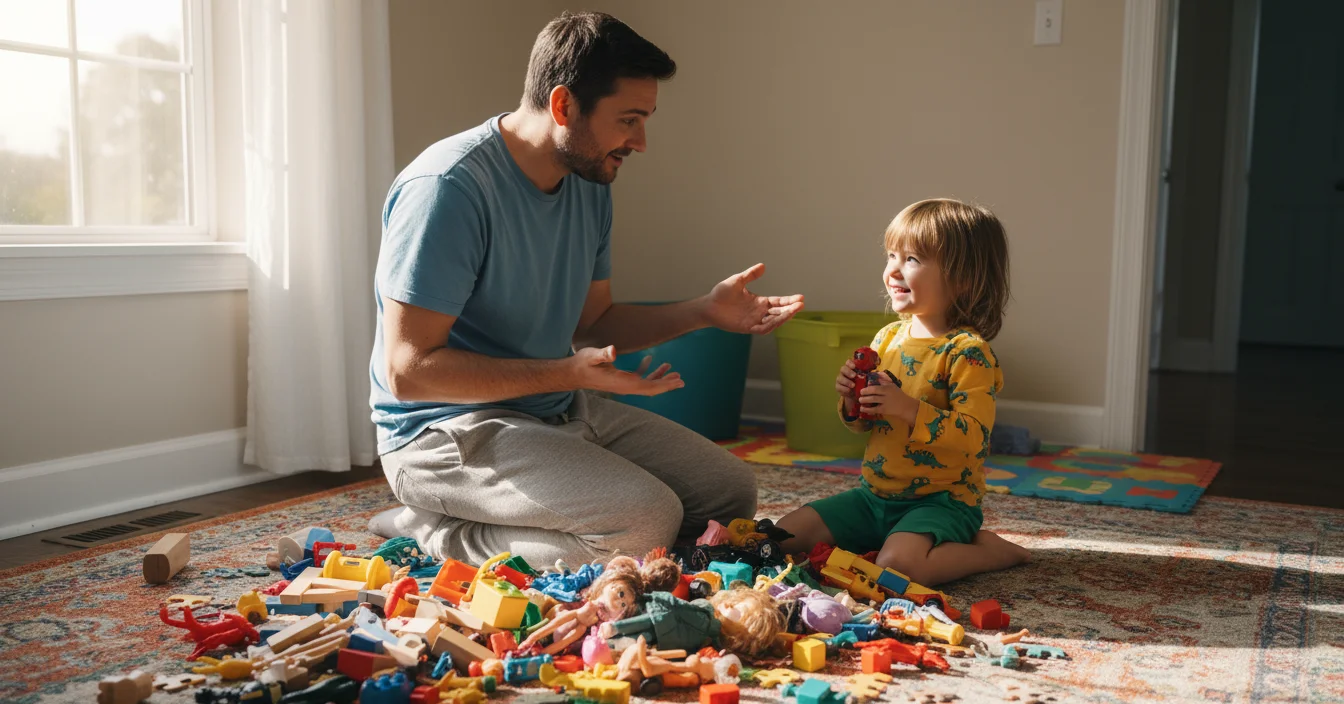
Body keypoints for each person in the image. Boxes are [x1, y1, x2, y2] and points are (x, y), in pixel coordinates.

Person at [367, 11, 803, 567]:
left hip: (553, 407)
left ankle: (541, 504)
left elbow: (593, 323)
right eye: (628, 119)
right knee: (645, 524)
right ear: (564, 106)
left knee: (727, 495)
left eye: (645, 119)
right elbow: (410, 372)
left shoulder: (589, 180)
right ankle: (434, 530)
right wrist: (565, 373)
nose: (640, 142)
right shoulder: (448, 189)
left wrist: (705, 311)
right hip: (443, 432)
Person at [776, 199, 1030, 586]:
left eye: (911, 259)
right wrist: (851, 400)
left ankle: (989, 550)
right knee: (783, 535)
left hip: (942, 502)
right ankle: (893, 538)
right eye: (891, 255)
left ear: (963, 278)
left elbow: (974, 437)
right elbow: (864, 425)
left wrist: (909, 409)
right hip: (873, 496)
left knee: (899, 570)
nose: (892, 270)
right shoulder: (889, 337)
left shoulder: (967, 351)